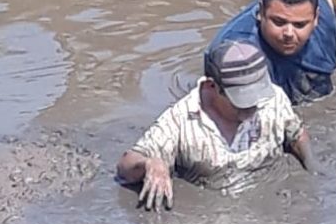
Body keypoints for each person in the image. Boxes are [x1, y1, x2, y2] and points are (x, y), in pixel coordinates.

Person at [116, 40, 317, 208]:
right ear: (211, 86)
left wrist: (314, 172)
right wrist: (150, 163)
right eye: (243, 100)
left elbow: (296, 134)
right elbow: (125, 167)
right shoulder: (180, 121)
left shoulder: (273, 98)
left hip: (271, 199)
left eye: (256, 97)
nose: (253, 106)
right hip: (213, 213)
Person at [207, 0, 336, 105]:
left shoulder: (324, 15)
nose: (289, 33)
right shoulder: (236, 54)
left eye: (299, 25)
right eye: (279, 22)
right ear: (261, 13)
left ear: (316, 18)